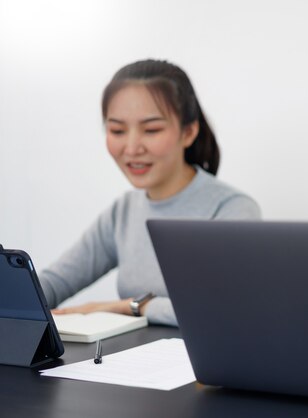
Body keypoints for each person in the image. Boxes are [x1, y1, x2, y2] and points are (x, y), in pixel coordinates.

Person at [40, 59, 261, 326]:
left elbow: (228, 309)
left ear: (188, 132)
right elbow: (53, 283)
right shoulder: (123, 211)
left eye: (152, 130)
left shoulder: (231, 209)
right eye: (117, 130)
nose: (132, 148)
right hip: (130, 362)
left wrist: (130, 306)